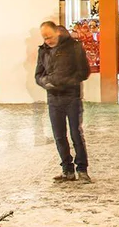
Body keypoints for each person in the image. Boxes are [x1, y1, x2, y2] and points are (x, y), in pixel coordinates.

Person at [35, 20, 92, 183]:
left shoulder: (74, 47)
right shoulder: (43, 51)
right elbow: (38, 75)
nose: (47, 41)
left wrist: (65, 82)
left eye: (50, 37)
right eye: (44, 38)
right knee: (59, 135)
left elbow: (84, 72)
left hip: (71, 97)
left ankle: (82, 169)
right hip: (53, 98)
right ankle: (67, 170)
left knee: (76, 133)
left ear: (58, 32)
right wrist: (45, 82)